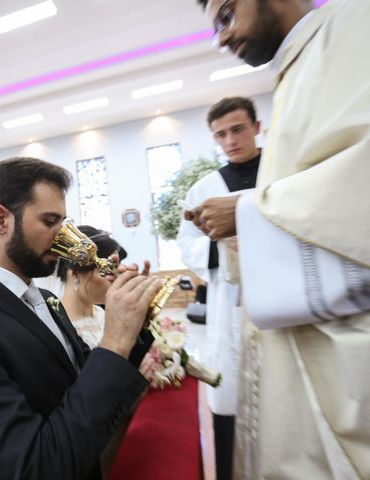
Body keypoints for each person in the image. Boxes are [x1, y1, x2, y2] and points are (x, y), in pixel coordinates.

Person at [192, 1, 370, 478]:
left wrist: (248, 215)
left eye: (227, 15)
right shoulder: (295, 70)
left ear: (254, 128)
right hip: (278, 331)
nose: (222, 38)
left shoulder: (356, 29)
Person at [0, 157, 161, 480]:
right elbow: (31, 467)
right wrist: (115, 339)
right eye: (50, 222)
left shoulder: (46, 299)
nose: (62, 238)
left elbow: (81, 378)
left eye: (64, 223)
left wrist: (134, 321)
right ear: (0, 220)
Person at [176, 96, 261, 480]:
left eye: (238, 129)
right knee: (233, 394)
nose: (230, 140)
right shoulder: (204, 188)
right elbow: (188, 245)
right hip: (233, 302)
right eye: (220, 134)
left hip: (290, 298)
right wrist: (220, 242)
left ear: (257, 128)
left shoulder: (282, 172)